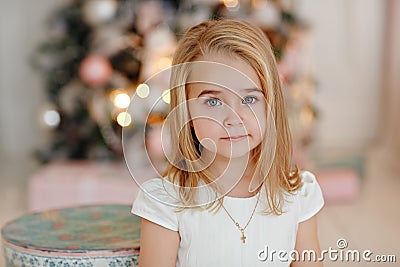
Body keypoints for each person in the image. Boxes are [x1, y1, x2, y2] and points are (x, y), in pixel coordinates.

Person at [131, 19, 324, 267]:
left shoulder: (297, 193)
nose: (235, 118)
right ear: (186, 112)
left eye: (250, 99)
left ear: (270, 106)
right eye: (213, 102)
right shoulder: (167, 201)